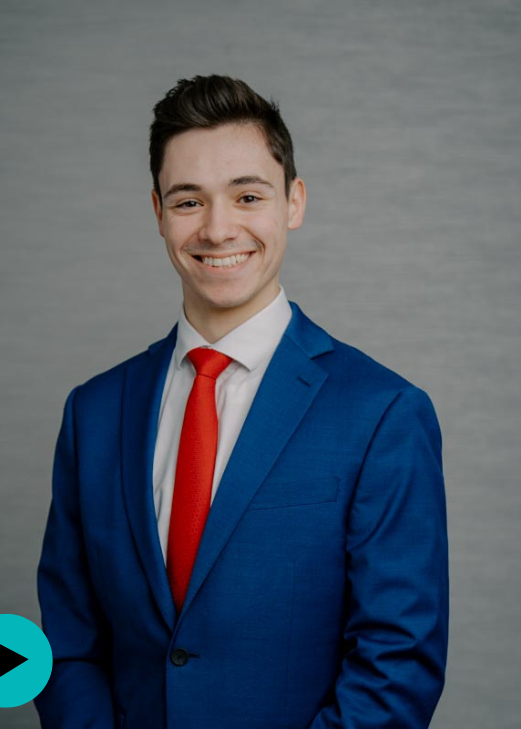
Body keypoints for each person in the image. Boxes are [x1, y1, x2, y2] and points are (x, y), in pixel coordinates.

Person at [34, 75, 449, 729]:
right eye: (188, 201)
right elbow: (67, 643)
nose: (217, 228)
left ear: (293, 202)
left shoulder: (382, 414)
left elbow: (396, 666)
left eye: (247, 196)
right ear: (158, 212)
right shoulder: (94, 413)